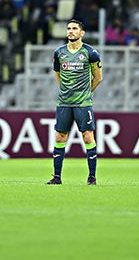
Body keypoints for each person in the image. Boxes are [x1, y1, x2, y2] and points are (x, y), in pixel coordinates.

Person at [46, 19, 103, 186]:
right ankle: (57, 177)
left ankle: (91, 177)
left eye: (75, 29)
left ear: (82, 33)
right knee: (60, 136)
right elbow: (57, 74)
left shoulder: (90, 53)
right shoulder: (59, 52)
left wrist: (85, 93)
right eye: (69, 29)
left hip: (83, 104)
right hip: (64, 102)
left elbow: (98, 78)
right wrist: (66, 90)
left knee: (87, 137)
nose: (71, 31)